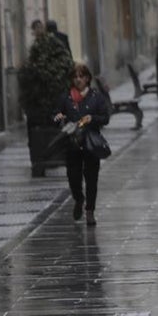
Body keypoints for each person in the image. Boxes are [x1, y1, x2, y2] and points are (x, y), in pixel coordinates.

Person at [54, 62, 110, 227]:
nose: (78, 80)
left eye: (81, 76)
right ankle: (79, 198)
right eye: (75, 77)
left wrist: (92, 118)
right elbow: (55, 112)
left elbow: (105, 117)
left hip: (91, 144)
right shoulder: (66, 97)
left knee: (92, 179)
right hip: (72, 144)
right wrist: (57, 117)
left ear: (87, 79)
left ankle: (90, 211)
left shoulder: (96, 96)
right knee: (73, 177)